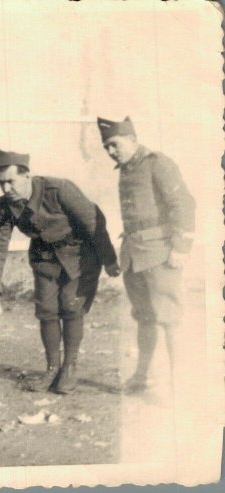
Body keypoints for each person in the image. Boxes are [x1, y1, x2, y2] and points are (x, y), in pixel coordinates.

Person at [0, 148, 119, 394]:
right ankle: (52, 368)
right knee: (46, 311)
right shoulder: (6, 205)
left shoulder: (59, 189)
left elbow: (93, 221)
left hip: (79, 256)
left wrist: (108, 259)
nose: (5, 189)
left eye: (10, 182)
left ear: (27, 176)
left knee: (71, 306)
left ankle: (69, 367)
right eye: (1, 183)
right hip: (45, 259)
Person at [96, 116, 195, 393]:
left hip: (160, 254)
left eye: (114, 144)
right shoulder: (126, 169)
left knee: (170, 319)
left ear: (133, 140)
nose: (111, 152)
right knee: (144, 317)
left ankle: (181, 385)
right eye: (106, 147)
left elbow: (184, 204)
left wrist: (181, 248)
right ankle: (143, 376)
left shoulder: (157, 163)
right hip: (135, 255)